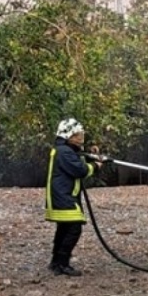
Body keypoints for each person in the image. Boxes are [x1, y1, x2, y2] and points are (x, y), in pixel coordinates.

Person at [45, 118, 102, 277]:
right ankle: (62, 263)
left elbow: (78, 158)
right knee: (73, 228)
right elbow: (80, 170)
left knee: (64, 228)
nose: (80, 139)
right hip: (63, 197)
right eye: (77, 135)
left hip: (62, 196)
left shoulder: (64, 149)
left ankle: (56, 263)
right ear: (68, 135)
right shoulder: (64, 152)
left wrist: (92, 154)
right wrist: (96, 166)